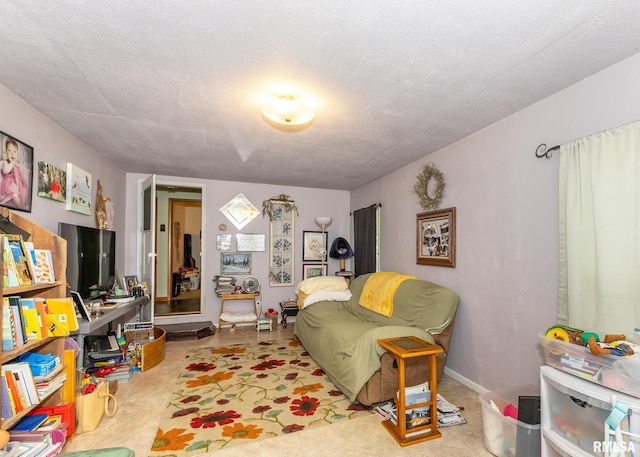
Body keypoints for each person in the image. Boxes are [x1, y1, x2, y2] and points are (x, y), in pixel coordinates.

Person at [0, 138, 29, 209]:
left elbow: (22, 173)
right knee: (14, 192)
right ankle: (19, 205)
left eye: (14, 151)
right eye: (9, 150)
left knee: (24, 189)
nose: (12, 153)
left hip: (18, 183)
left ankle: (23, 203)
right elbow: (5, 171)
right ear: (6, 152)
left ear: (17, 154)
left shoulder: (17, 163)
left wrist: (19, 167)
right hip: (9, 183)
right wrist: (12, 163)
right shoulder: (6, 162)